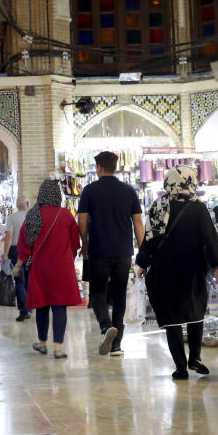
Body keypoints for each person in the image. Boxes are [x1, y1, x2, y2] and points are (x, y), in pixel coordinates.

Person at [135, 166, 218, 380]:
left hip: (165, 269)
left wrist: (142, 263)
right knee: (195, 313)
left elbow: (149, 239)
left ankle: (180, 367)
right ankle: (195, 357)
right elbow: (210, 239)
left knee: (172, 319)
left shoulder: (159, 206)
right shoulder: (199, 209)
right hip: (193, 268)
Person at [77, 150, 144, 357]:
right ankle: (117, 345)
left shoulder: (89, 190)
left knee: (97, 294)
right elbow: (138, 224)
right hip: (123, 251)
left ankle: (106, 327)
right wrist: (143, 252)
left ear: (98, 168)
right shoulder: (129, 191)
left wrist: (84, 243)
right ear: (115, 168)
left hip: (98, 250)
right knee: (119, 295)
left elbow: (82, 221)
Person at [12, 180, 81, 359]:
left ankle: (42, 343)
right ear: (57, 195)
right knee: (60, 307)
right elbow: (75, 244)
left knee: (42, 304)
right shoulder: (66, 215)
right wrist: (67, 258)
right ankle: (58, 348)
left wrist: (18, 267)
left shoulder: (33, 215)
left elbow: (25, 247)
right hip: (62, 268)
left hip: (40, 268)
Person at [3, 197, 32, 321]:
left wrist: (5, 254)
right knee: (29, 280)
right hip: (32, 250)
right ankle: (29, 307)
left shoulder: (12, 217)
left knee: (19, 281)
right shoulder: (34, 216)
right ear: (27, 204)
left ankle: (24, 310)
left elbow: (9, 236)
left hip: (16, 250)